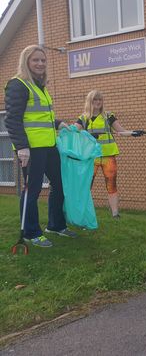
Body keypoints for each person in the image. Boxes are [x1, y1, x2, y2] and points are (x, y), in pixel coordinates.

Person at [4, 45, 77, 247]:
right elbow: (12, 120)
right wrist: (22, 147)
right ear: (26, 62)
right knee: (32, 189)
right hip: (31, 149)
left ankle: (55, 225)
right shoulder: (17, 85)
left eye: (43, 60)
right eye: (35, 60)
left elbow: (41, 117)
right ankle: (30, 232)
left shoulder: (40, 86)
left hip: (49, 145)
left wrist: (59, 123)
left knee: (60, 183)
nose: (40, 63)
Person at [75, 90, 143, 219]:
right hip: (91, 157)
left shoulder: (108, 116)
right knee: (86, 186)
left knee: (111, 185)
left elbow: (121, 131)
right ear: (90, 101)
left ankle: (115, 214)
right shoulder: (83, 118)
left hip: (108, 156)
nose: (98, 102)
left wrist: (133, 133)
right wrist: (87, 135)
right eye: (95, 100)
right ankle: (83, 213)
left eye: (100, 100)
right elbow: (75, 133)